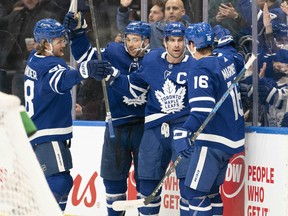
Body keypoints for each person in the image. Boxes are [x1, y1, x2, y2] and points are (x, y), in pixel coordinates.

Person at [64, 11, 151, 215]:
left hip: (145, 128)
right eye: (128, 39)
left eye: (136, 40)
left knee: (146, 183)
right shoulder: (113, 52)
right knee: (113, 183)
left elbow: (136, 86)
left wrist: (113, 76)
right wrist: (77, 33)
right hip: (117, 127)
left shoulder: (155, 59)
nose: (130, 44)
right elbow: (87, 57)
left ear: (146, 40)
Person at [24, 18, 112, 211]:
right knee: (60, 181)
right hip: (48, 134)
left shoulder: (35, 58)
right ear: (46, 43)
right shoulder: (49, 66)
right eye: (59, 40)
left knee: (61, 182)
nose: (64, 43)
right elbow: (62, 80)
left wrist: (73, 26)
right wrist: (85, 69)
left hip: (39, 133)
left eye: (63, 39)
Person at [108, 22, 195, 216]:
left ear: (186, 42)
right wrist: (113, 76)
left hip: (183, 128)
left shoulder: (194, 65)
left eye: (180, 40)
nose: (176, 45)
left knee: (189, 187)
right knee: (147, 185)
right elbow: (134, 86)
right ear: (164, 42)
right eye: (172, 40)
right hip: (155, 129)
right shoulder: (152, 60)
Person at [172, 22, 245, 215]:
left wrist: (184, 131)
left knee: (194, 192)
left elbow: (202, 108)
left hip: (212, 140)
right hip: (231, 138)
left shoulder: (200, 68)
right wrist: (226, 38)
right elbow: (236, 56)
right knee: (212, 192)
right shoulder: (225, 59)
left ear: (191, 45)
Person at [0, 0, 61, 105]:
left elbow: (59, 46)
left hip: (32, 67)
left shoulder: (49, 17)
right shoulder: (17, 14)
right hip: (9, 66)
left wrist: (41, 47)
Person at [118, 0, 190, 48]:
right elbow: (126, 27)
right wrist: (123, 8)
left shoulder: (192, 31)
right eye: (168, 9)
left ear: (183, 12)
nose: (171, 11)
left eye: (175, 8)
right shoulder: (153, 29)